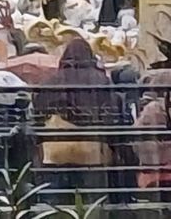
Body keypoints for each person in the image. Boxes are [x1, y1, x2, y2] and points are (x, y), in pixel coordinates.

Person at [34, 39, 125, 190]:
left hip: (56, 151)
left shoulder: (51, 82)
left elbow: (38, 114)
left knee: (57, 198)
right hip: (92, 151)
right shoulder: (101, 81)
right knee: (93, 197)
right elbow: (112, 115)